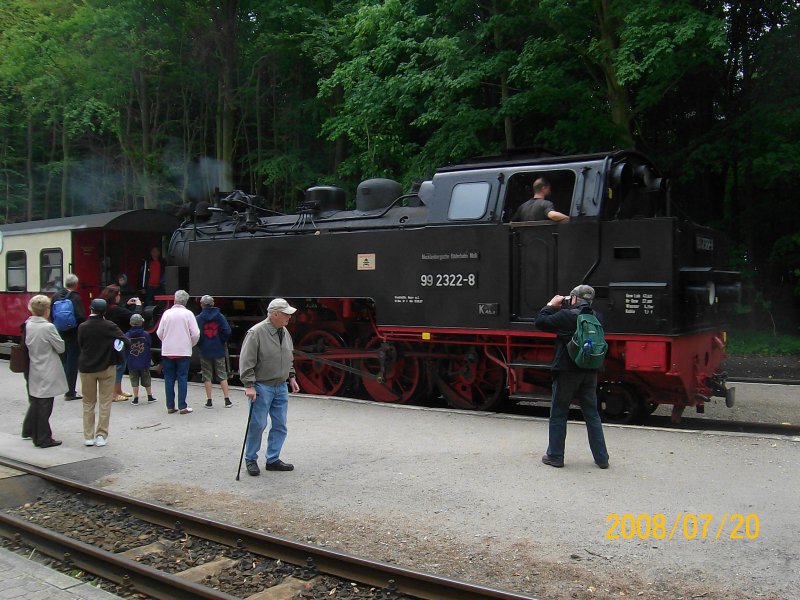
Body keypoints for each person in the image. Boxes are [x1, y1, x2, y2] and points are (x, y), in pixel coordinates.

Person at [534, 284, 609, 469]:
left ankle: (555, 456)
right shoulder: (597, 317)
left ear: (574, 298)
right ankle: (602, 458)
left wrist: (550, 305)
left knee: (559, 412)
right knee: (592, 414)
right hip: (590, 371)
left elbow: (540, 322)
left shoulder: (566, 316)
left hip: (567, 372)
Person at [240, 298, 301, 476]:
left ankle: (273, 459)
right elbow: (246, 360)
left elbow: (288, 356)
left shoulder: (284, 331)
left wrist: (291, 376)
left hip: (280, 386)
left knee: (280, 424)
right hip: (262, 386)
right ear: (275, 314)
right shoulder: (256, 332)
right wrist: (249, 385)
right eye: (286, 314)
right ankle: (250, 459)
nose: (289, 317)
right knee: (257, 424)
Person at [77, 298, 130, 448]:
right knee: (105, 402)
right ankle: (101, 435)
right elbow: (126, 342)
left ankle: (88, 437)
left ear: (91, 309)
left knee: (88, 402)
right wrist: (114, 347)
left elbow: (80, 345)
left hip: (87, 368)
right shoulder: (110, 326)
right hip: (107, 367)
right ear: (105, 311)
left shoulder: (83, 327)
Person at [21, 295, 67, 448]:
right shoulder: (48, 327)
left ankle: (31, 432)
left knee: (36, 402)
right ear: (47, 310)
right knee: (45, 405)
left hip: (34, 366)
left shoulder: (28, 324)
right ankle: (43, 438)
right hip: (48, 367)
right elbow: (60, 347)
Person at [156, 290, 200, 414]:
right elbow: (196, 333)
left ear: (174, 299)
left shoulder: (166, 313)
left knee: (169, 378)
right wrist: (190, 344)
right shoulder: (188, 314)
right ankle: (182, 406)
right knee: (182, 377)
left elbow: (159, 332)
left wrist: (166, 341)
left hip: (168, 351)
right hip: (183, 351)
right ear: (186, 302)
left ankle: (170, 406)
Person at [101, 284, 143, 401]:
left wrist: (126, 305)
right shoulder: (116, 310)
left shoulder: (107, 308)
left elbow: (120, 314)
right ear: (114, 296)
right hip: (118, 340)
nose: (120, 296)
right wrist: (138, 305)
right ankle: (114, 394)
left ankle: (118, 390)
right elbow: (135, 317)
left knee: (120, 365)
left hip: (111, 339)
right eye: (118, 294)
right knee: (119, 366)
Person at [196, 295, 233, 409]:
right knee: (222, 374)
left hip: (205, 349)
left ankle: (209, 401)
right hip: (218, 348)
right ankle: (227, 400)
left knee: (207, 375)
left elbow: (195, 334)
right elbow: (227, 331)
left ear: (201, 305)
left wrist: (200, 343)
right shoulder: (220, 316)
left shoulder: (198, 318)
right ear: (213, 304)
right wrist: (221, 340)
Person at [53, 273, 86, 400]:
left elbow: (51, 315)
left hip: (59, 333)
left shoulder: (56, 296)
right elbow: (80, 316)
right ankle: (70, 392)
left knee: (64, 361)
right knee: (72, 363)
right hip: (73, 333)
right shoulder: (75, 297)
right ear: (76, 284)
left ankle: (64, 388)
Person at [125, 313, 157, 406]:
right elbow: (149, 344)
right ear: (142, 322)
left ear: (130, 323)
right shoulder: (146, 334)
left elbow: (125, 347)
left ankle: (136, 398)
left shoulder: (127, 335)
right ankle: (149, 396)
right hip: (144, 361)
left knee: (134, 380)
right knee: (146, 379)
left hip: (132, 362)